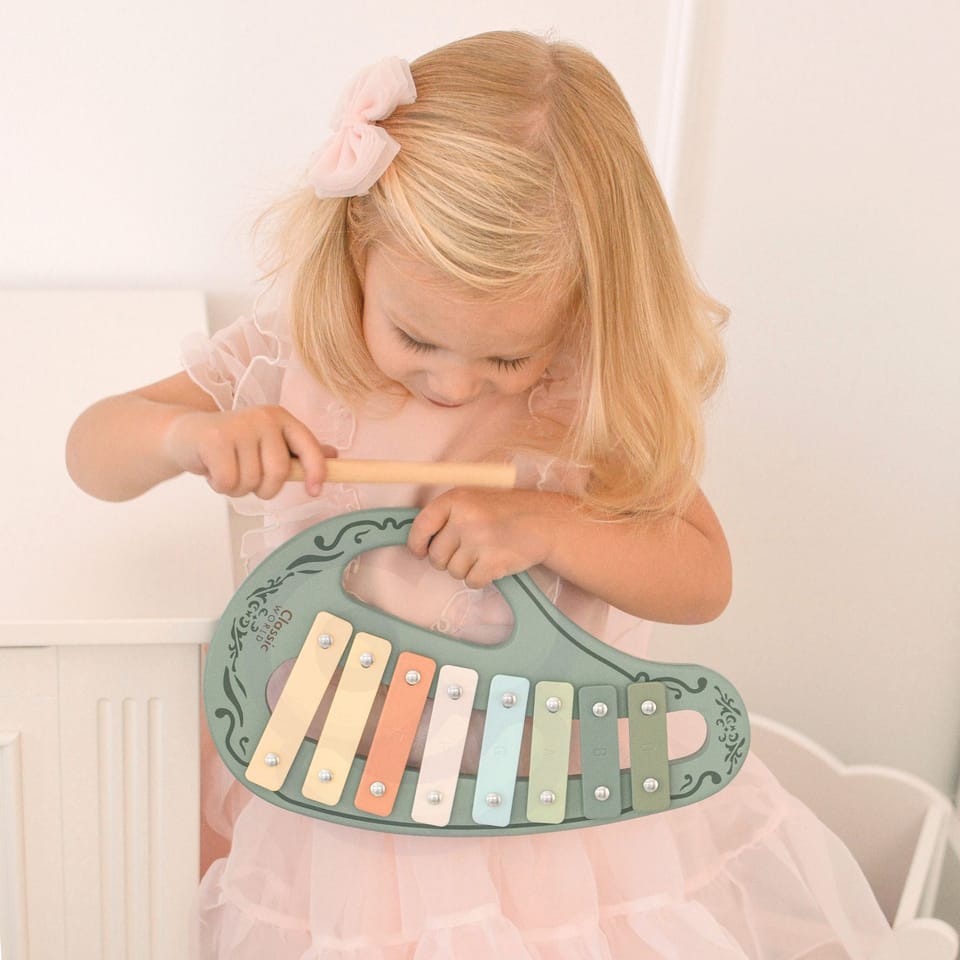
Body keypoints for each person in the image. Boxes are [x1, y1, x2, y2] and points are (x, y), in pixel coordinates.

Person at [67, 31, 898, 960]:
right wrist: (187, 439)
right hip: (331, 808)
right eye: (415, 337)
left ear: (583, 305)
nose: (454, 384)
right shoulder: (299, 351)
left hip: (546, 821)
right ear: (358, 251)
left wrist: (551, 526)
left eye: (506, 356)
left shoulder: (583, 399)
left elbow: (703, 577)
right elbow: (91, 450)